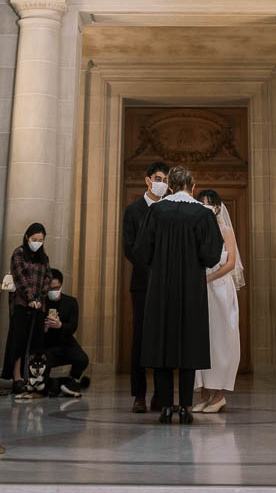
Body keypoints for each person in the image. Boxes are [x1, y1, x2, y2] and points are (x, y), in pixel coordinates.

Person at [134, 164, 224, 424]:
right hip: (191, 289)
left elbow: (141, 251)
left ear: (170, 186)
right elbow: (211, 254)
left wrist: (159, 265)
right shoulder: (202, 214)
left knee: (162, 345)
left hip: (160, 288)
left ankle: (164, 408)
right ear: (192, 187)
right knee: (188, 346)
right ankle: (185, 407)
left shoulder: (156, 211)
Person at [122, 159, 170, 413]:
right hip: (142, 283)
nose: (162, 184)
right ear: (148, 180)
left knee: (163, 339)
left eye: (166, 180)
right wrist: (151, 269)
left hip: (166, 285)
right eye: (159, 179)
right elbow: (129, 248)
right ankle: (139, 395)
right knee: (139, 338)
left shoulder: (170, 209)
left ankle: (161, 395)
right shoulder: (133, 211)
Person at [193, 190, 243, 413]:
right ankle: (204, 393)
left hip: (221, 289)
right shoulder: (197, 231)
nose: (207, 207)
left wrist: (208, 278)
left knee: (222, 340)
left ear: (218, 207)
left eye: (210, 204)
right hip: (201, 291)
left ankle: (219, 395)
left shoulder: (226, 230)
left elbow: (231, 263)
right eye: (202, 203)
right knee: (202, 340)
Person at [3, 222, 52, 392]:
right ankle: (17, 378)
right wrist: (30, 297)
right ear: (27, 237)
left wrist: (40, 298)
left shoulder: (44, 258)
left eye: (40, 240)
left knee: (36, 343)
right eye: (34, 239)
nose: (37, 242)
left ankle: (32, 379)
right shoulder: (19, 253)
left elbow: (47, 277)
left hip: (39, 305)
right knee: (18, 342)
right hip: (22, 304)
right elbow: (19, 276)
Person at [41, 268, 90, 397]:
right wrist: (44, 328)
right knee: (43, 376)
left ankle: (71, 381)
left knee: (82, 359)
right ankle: (50, 384)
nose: (53, 292)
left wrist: (60, 325)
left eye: (56, 288)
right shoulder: (42, 302)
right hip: (47, 345)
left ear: (61, 286)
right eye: (50, 289)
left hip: (65, 343)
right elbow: (34, 328)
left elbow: (73, 327)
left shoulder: (71, 302)